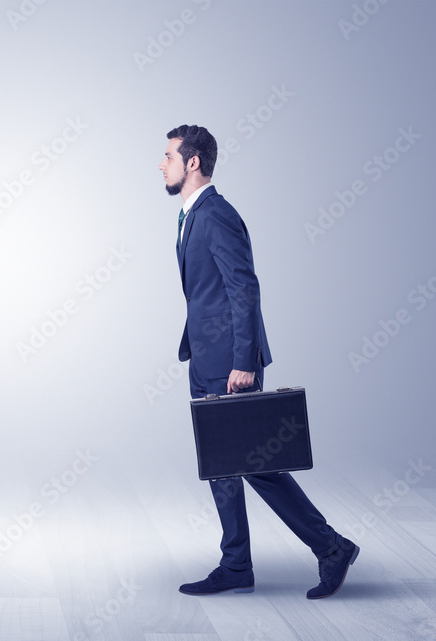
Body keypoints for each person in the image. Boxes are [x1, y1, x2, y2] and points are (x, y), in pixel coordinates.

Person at [158, 124, 359, 599]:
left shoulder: (217, 215)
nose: (160, 164)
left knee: (257, 463)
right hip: (206, 357)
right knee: (221, 465)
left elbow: (243, 288)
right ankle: (236, 566)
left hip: (231, 361)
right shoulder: (191, 215)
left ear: (192, 163)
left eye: (168, 156)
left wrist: (244, 360)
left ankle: (332, 548)